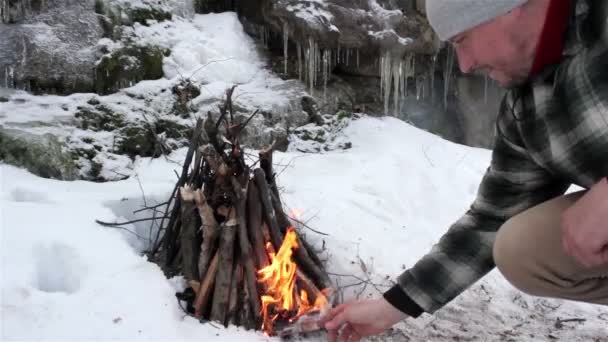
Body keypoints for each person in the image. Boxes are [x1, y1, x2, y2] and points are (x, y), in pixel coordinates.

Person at [321, 0, 608, 340]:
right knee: (520, 248)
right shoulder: (526, 108)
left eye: (462, 40)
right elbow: (490, 220)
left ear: (506, 9)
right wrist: (390, 308)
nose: (465, 65)